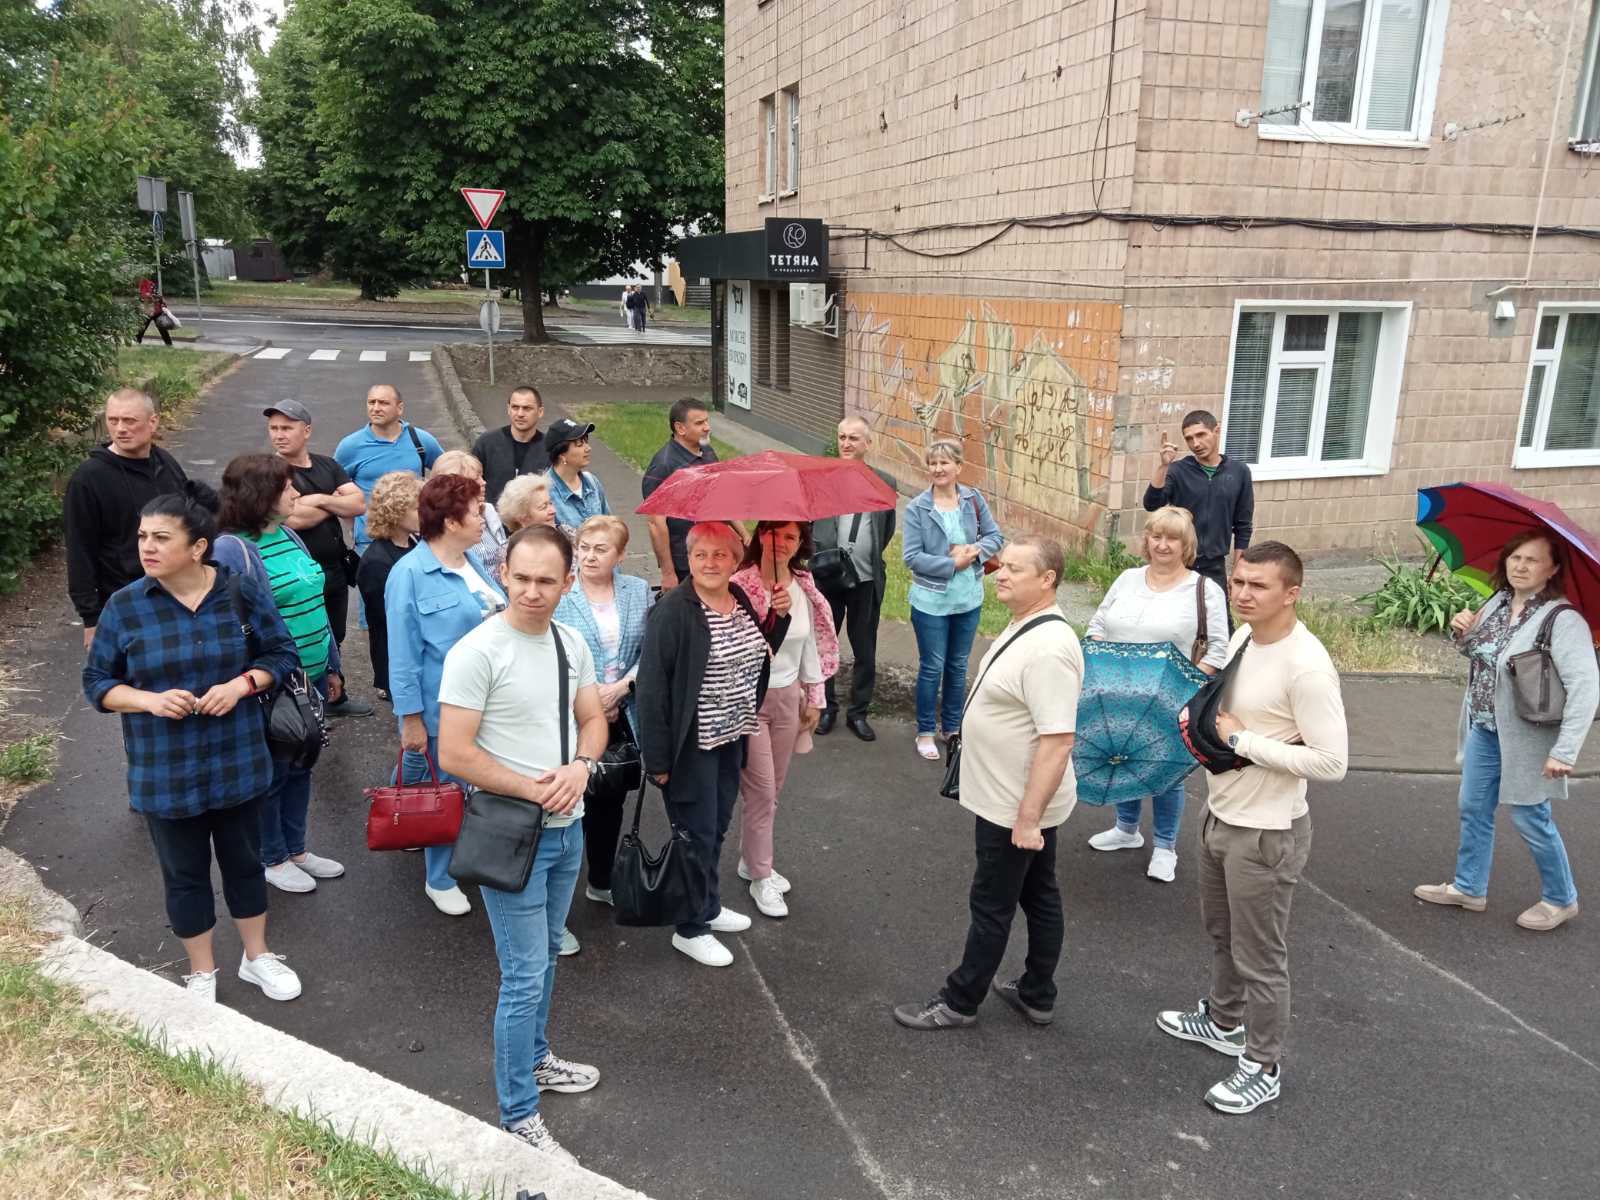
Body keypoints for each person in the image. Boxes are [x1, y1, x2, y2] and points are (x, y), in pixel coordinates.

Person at [83, 494, 303, 1005]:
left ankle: (256, 957)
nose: (147, 547)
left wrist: (242, 685)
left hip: (238, 758)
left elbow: (281, 654)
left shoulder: (239, 591)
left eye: (161, 537)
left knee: (245, 863)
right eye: (143, 536)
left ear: (198, 547)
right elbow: (96, 683)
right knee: (184, 875)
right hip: (165, 768)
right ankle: (201, 973)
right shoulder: (126, 606)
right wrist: (148, 700)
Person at [1155, 541, 1348, 1115]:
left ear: (1292, 593)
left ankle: (1263, 1066)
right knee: (1222, 934)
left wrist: (1241, 739)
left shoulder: (1306, 666)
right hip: (1221, 812)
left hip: (1266, 832)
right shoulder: (1245, 637)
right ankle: (1222, 1020)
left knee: (1261, 958)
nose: (1242, 593)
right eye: (1238, 582)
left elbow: (1332, 762)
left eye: (1258, 585)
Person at [438, 525, 609, 1162]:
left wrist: (581, 768)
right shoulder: (477, 651)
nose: (532, 592)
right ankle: (518, 1115)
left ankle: (536, 1060)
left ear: (568, 583)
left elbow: (593, 720)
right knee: (523, 976)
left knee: (544, 962)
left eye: (546, 581)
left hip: (568, 830)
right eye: (521, 578)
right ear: (503, 573)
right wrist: (536, 789)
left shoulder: (570, 642)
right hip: (512, 835)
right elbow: (454, 753)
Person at [893, 537, 1081, 1032]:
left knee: (992, 903)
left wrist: (1027, 818)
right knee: (1038, 892)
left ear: (1048, 579)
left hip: (1015, 804)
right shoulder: (1028, 624)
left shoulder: (1049, 649)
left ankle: (959, 1002)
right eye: (1004, 565)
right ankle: (1037, 992)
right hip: (1014, 797)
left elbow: (1058, 741)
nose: (1002, 573)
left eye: (1017, 569)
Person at [1413, 531, 1597, 932]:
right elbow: (1481, 654)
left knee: (1531, 816)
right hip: (1484, 728)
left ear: (1553, 569)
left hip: (1528, 737)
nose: (1521, 566)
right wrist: (1462, 631)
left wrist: (1565, 751)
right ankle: (1469, 888)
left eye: (1533, 560)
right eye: (1515, 557)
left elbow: (1586, 687)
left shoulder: (1563, 620)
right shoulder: (1497, 601)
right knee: (1473, 807)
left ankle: (1561, 898)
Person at [636, 522, 789, 967]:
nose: (709, 563)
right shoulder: (673, 612)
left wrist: (779, 617)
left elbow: (759, 651)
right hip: (691, 748)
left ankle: (707, 904)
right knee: (694, 834)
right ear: (688, 558)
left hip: (732, 736)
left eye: (720, 555)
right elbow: (651, 690)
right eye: (700, 554)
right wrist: (657, 760)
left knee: (716, 827)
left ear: (735, 560)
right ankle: (690, 928)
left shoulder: (738, 597)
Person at [212, 454, 345, 896]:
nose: (296, 493)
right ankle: (272, 857)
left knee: (303, 763)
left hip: (310, 675)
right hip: (274, 682)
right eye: (288, 487)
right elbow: (230, 620)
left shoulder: (289, 534)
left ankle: (297, 848)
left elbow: (316, 605)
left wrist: (332, 664)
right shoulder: (232, 549)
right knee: (274, 771)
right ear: (261, 494)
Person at [1083, 505, 1229, 882]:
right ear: (1146, 539)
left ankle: (1165, 847)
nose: (1162, 545)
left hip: (1171, 697)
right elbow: (1098, 624)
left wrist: (1184, 686)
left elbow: (1218, 649)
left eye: (1172, 538)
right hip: (1117, 691)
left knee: (1166, 771)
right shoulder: (1128, 579)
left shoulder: (1203, 589)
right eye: (1156, 536)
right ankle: (1126, 829)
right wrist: (1098, 656)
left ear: (1186, 545)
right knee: (1122, 757)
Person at [386, 474, 507, 917]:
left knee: (478, 785)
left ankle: (470, 854)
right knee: (446, 792)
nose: (484, 520)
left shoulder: (470, 560)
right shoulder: (409, 574)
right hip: (444, 708)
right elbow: (403, 654)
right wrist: (411, 719)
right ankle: (439, 878)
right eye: (476, 513)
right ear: (451, 522)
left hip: (489, 701)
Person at [729, 522, 836, 919]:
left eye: (792, 537)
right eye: (775, 534)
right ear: (761, 537)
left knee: (773, 790)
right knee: (761, 790)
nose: (782, 543)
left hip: (789, 697)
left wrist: (815, 696)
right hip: (750, 700)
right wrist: (772, 615)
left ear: (800, 544)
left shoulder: (803, 585)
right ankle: (761, 875)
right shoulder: (739, 585)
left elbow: (811, 644)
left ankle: (750, 860)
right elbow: (736, 647)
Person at [555, 515, 653, 906]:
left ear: (621, 555)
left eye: (600, 549)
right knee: (566, 797)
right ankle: (557, 886)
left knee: (609, 798)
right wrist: (592, 699)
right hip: (571, 712)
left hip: (623, 711)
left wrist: (624, 686)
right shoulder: (562, 590)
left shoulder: (638, 590)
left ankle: (600, 880)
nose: (589, 556)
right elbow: (551, 649)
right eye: (583, 548)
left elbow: (651, 649)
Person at [66, 388, 203, 650]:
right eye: (113, 420)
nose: (120, 429)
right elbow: (79, 549)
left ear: (153, 422)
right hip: (124, 605)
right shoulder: (89, 478)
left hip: (179, 597)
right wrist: (91, 618)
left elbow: (189, 523)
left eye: (129, 421)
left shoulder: (165, 463)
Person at [266, 399, 373, 719]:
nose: (279, 434)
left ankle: (332, 697)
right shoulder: (269, 471)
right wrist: (333, 503)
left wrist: (317, 500)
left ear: (307, 431)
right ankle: (299, 704)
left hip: (334, 569)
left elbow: (358, 504)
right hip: (295, 576)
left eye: (287, 428)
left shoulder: (327, 465)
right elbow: (293, 519)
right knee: (300, 637)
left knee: (334, 636)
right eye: (274, 428)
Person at [902, 438, 1003, 760]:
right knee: (932, 667)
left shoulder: (973, 499)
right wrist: (950, 564)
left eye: (944, 462)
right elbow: (911, 557)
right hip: (930, 603)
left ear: (959, 466)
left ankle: (952, 728)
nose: (938, 468)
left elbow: (995, 536)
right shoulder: (917, 508)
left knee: (958, 666)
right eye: (933, 463)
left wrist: (975, 552)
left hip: (968, 600)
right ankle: (925, 731)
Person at [814, 416, 897, 740]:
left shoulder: (884, 482)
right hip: (827, 578)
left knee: (865, 650)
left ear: (867, 443)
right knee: (825, 647)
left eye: (854, 438)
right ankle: (826, 709)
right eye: (842, 437)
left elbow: (885, 531)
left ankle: (858, 713)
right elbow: (811, 524)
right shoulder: (822, 478)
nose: (846, 443)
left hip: (865, 580)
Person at [1142, 409, 1253, 607]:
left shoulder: (1239, 472)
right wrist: (1163, 466)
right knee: (1173, 615)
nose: (1196, 444)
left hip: (1214, 565)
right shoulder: (1178, 470)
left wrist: (1238, 571)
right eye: (1189, 439)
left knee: (1217, 620)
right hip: (1179, 562)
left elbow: (1243, 526)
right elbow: (1151, 504)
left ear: (1216, 430)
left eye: (1201, 435)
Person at [333, 384, 443, 552]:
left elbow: (446, 475)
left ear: (400, 408)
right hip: (369, 542)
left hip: (415, 539)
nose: (376, 408)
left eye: (383, 403)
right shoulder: (351, 446)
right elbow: (334, 488)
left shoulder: (420, 440)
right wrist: (352, 524)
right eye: (371, 402)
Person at [356, 472, 421, 702]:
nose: (424, 513)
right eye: (417, 508)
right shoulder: (377, 561)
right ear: (396, 512)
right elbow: (388, 620)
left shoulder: (414, 543)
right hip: (399, 660)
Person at [642, 398, 719, 589]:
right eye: (699, 423)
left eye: (707, 421)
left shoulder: (707, 451)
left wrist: (743, 536)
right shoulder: (663, 466)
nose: (707, 427)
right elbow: (656, 524)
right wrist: (668, 573)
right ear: (680, 428)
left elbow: (720, 497)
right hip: (685, 563)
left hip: (716, 551)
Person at [432, 449, 508, 575]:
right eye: (475, 479)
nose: (483, 482)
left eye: (481, 476)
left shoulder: (488, 511)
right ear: (453, 487)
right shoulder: (444, 524)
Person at [472, 386, 549, 505]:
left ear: (540, 412)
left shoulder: (550, 449)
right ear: (508, 409)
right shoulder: (486, 443)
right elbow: (470, 483)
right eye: (515, 407)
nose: (520, 414)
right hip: (491, 514)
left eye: (527, 408)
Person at [545, 419, 611, 531]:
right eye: (580, 444)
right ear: (562, 455)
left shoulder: (592, 481)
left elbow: (609, 525)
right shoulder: (545, 492)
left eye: (586, 442)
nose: (588, 448)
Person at [135, 281, 174, 347]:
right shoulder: (150, 285)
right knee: (159, 327)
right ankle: (168, 343)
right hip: (154, 310)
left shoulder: (145, 284)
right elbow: (157, 297)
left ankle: (136, 341)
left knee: (143, 327)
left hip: (152, 311)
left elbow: (145, 297)